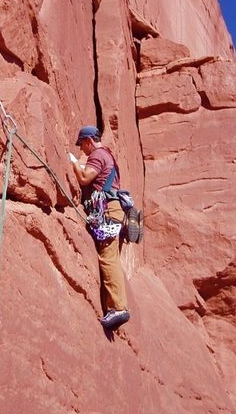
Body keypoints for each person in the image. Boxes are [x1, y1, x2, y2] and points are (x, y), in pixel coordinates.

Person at [70, 125, 130, 329]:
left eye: (82, 145)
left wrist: (74, 163)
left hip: (109, 212)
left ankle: (119, 308)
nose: (83, 150)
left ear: (89, 141)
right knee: (110, 256)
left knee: (108, 257)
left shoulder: (97, 154)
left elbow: (85, 177)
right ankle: (114, 306)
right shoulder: (107, 155)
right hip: (113, 212)